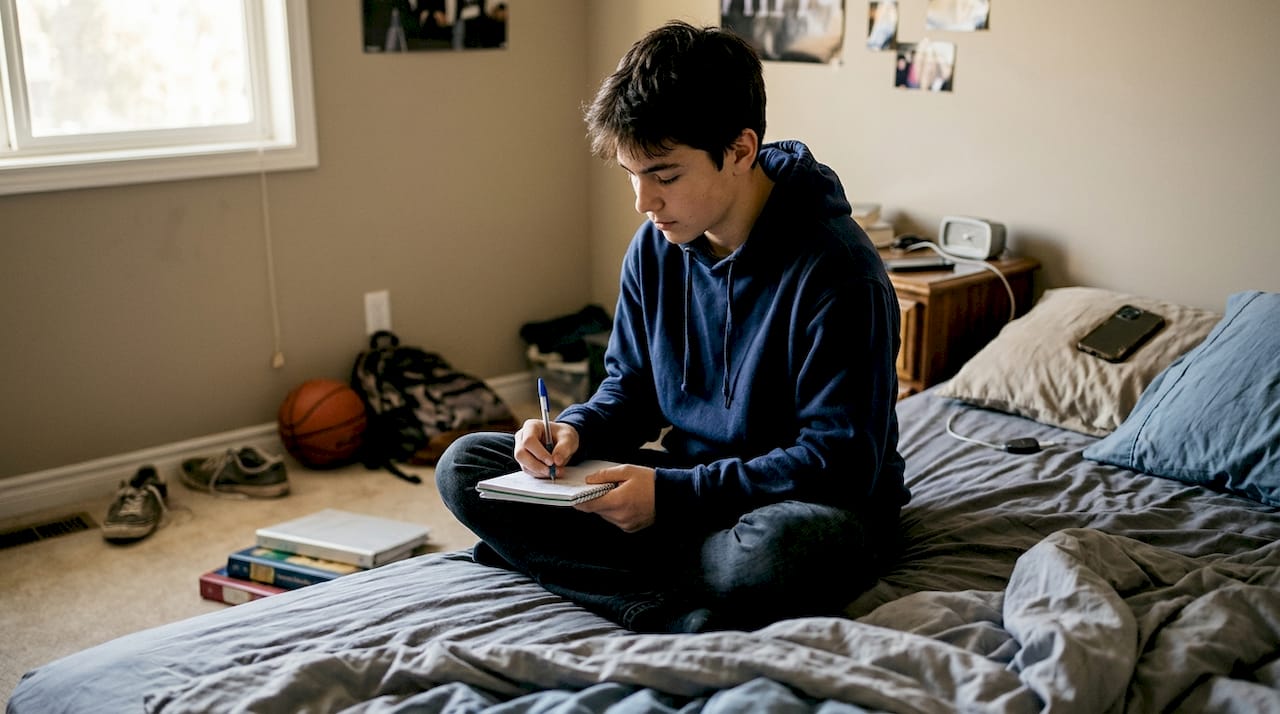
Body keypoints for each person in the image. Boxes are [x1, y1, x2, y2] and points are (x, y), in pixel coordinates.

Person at [436, 20, 908, 634]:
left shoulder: (839, 274)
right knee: (467, 467)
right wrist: (573, 431)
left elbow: (839, 463)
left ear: (740, 151)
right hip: (683, 492)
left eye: (663, 175)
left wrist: (668, 497)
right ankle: (668, 595)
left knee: (779, 552)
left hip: (801, 504)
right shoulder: (657, 245)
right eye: (631, 174)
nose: (643, 202)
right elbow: (630, 391)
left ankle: (590, 573)